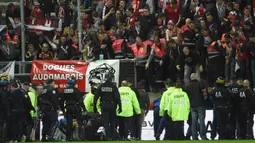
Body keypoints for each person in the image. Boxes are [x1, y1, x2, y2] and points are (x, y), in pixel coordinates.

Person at [94, 73, 122, 140]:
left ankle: (108, 137)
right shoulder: (113, 86)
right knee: (113, 122)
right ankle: (112, 136)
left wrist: (94, 106)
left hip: (104, 105)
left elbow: (96, 97)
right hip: (112, 106)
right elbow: (117, 98)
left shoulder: (101, 86)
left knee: (106, 122)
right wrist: (120, 106)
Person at [184, 73, 207, 140]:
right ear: (196, 78)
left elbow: (187, 97)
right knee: (202, 121)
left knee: (194, 122)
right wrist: (205, 98)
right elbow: (205, 93)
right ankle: (203, 136)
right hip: (200, 105)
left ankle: (194, 137)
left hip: (192, 106)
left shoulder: (187, 86)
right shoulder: (200, 84)